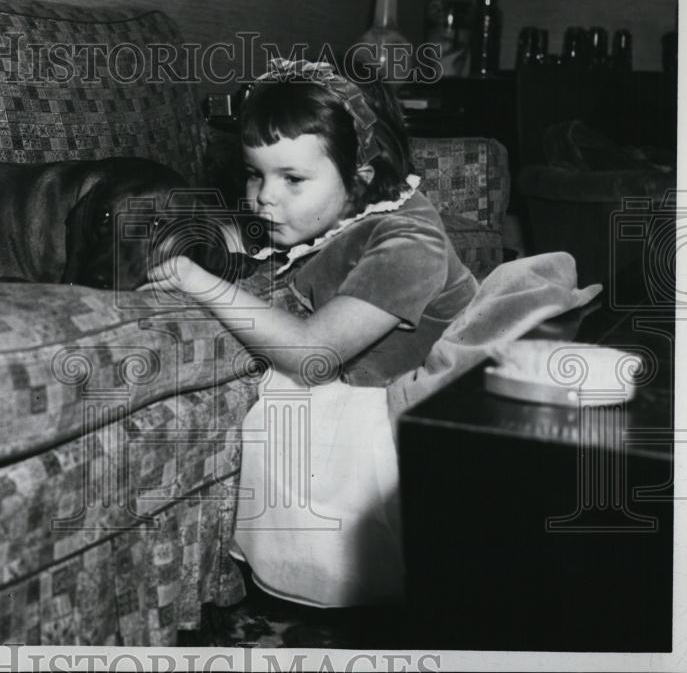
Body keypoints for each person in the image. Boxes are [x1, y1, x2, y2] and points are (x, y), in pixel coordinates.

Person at [143, 57, 479, 607]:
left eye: (292, 179)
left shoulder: (408, 243)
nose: (265, 197)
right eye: (255, 173)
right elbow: (251, 242)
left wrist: (197, 281)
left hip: (420, 407)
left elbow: (311, 355)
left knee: (297, 416)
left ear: (361, 179)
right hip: (366, 377)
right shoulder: (330, 211)